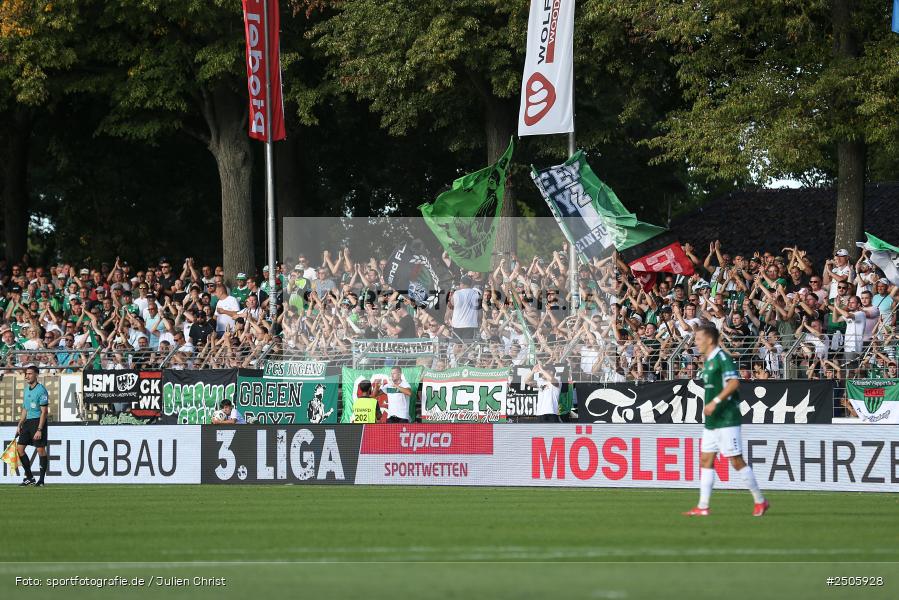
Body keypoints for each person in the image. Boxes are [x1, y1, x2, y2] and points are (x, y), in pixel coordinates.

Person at [684, 324, 768, 517]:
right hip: (712, 421)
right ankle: (703, 506)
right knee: (705, 460)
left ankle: (760, 501)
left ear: (710, 340)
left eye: (698, 339)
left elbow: (734, 382)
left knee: (736, 461)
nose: (696, 343)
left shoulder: (722, 358)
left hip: (727, 418)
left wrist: (714, 402)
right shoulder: (708, 361)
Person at [15, 365, 50, 486]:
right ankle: (29, 477)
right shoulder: (26, 390)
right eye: (26, 373)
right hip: (27, 423)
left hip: (38, 422)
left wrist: (40, 429)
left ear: (36, 375)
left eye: (30, 373)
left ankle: (41, 480)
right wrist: (20, 424)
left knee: (40, 450)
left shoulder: (41, 390)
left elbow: (44, 412)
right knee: (20, 449)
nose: (27, 376)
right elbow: (25, 409)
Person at [450, 276, 481, 341]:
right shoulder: (476, 293)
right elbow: (479, 310)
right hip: (470, 324)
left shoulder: (456, 293)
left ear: (462, 284)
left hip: (457, 324)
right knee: (467, 345)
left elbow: (451, 305)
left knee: (456, 345)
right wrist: (479, 321)